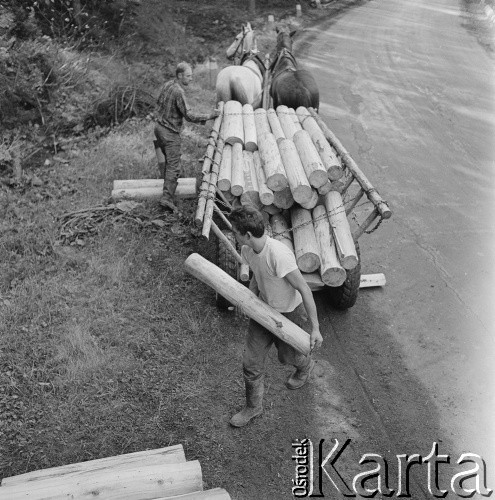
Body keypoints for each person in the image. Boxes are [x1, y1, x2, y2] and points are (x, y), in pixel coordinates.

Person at [228, 205, 323, 427]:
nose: (234, 234)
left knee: (287, 357)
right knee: (250, 362)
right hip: (263, 312)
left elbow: (304, 289)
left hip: (288, 313)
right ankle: (253, 407)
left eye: (236, 231)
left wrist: (315, 328)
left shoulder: (279, 255)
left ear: (248, 234)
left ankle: (304, 365)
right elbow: (256, 275)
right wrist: (250, 300)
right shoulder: (247, 250)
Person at [154, 62, 219, 211]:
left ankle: (172, 185)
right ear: (180, 75)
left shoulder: (167, 85)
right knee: (173, 165)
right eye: (188, 76)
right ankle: (166, 198)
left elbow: (158, 103)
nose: (191, 79)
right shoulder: (178, 92)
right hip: (169, 132)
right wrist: (209, 116)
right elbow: (189, 115)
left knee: (169, 161)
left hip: (158, 127)